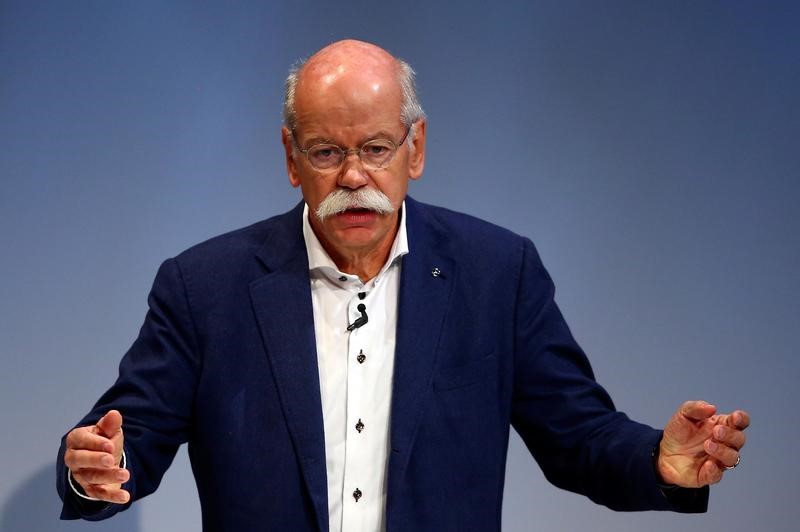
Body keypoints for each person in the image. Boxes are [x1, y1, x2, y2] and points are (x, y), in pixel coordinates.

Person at [58, 40, 749, 532]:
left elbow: (578, 437)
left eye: (376, 149)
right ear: (291, 159)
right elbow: (128, 441)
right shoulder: (204, 287)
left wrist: (661, 460)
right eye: (327, 152)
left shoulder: (497, 274)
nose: (353, 175)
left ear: (415, 150)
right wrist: (94, 466)